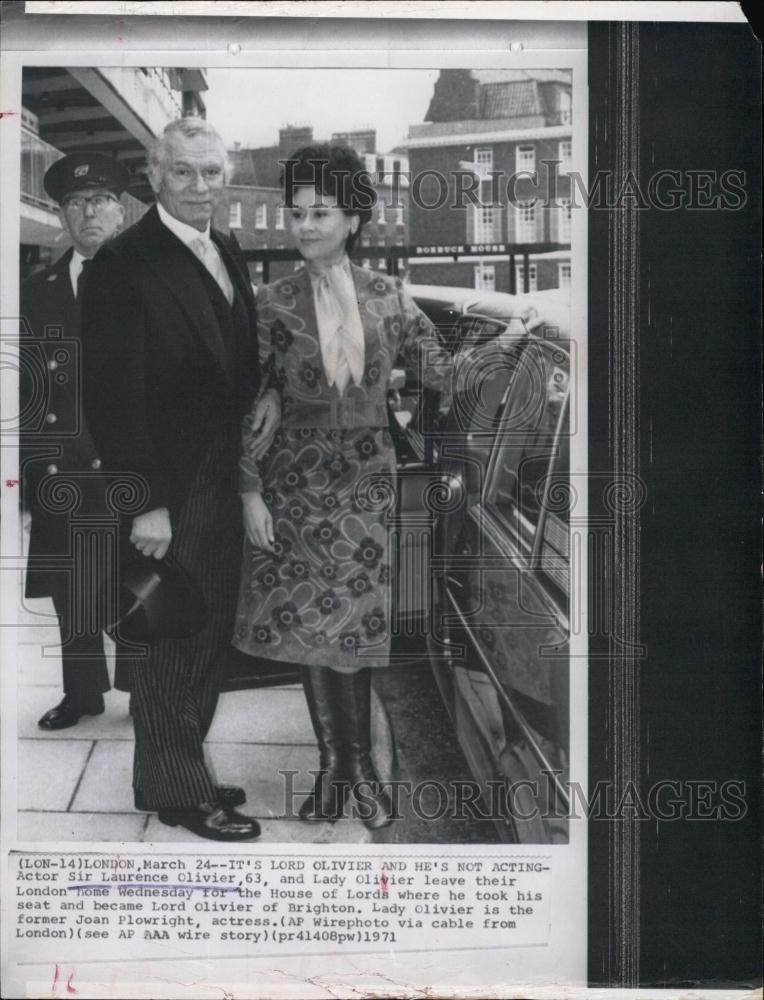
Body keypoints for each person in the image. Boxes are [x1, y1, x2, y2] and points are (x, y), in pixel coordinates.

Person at [234, 143, 454, 830]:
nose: (304, 227)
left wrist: (502, 355)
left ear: (354, 219)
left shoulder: (389, 296)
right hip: (293, 486)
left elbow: (437, 372)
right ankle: (337, 769)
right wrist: (249, 492)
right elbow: (246, 402)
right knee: (308, 629)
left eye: (320, 213)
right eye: (296, 213)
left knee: (353, 632)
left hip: (365, 486)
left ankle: (358, 771)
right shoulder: (269, 302)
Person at [80, 118, 279, 842]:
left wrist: (266, 396)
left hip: (221, 474)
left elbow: (238, 351)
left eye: (213, 172)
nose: (202, 187)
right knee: (169, 633)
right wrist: (147, 503)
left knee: (206, 633)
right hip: (168, 487)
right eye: (186, 173)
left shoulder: (222, 245)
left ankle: (180, 765)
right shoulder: (122, 262)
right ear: (155, 176)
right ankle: (176, 791)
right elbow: (110, 395)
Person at [20, 152, 134, 731]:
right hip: (65, 466)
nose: (87, 212)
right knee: (74, 585)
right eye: (74, 203)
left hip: (134, 463)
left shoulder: (150, 278)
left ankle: (145, 692)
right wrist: (36, 467)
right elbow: (27, 385)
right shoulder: (35, 288)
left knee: (139, 579)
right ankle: (83, 691)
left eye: (99, 201)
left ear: (120, 210)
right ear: (60, 214)